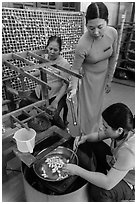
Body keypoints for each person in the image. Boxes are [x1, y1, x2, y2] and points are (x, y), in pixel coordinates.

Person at [63, 103, 135, 202]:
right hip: (116, 163)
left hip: (128, 181)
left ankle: (126, 193)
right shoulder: (122, 132)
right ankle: (100, 174)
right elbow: (98, 136)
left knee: (99, 191)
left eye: (106, 127)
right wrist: (85, 138)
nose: (102, 128)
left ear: (119, 130)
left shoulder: (128, 152)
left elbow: (108, 183)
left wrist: (77, 170)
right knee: (91, 143)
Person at [68, 2, 118, 134]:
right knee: (88, 109)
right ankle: (86, 134)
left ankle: (96, 128)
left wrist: (109, 79)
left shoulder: (112, 33)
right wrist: (73, 87)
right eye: (90, 28)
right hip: (87, 80)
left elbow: (113, 56)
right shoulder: (82, 44)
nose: (95, 32)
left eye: (100, 27)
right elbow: (74, 69)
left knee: (98, 106)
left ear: (107, 22)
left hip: (102, 77)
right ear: (86, 26)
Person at [32, 35, 71, 129]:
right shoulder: (44, 58)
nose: (52, 52)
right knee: (25, 103)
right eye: (50, 48)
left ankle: (64, 132)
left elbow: (65, 85)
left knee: (53, 115)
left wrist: (56, 101)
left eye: (55, 50)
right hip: (41, 91)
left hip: (56, 94)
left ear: (60, 50)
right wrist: (28, 73)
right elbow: (39, 72)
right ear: (47, 47)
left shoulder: (63, 63)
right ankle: (43, 126)